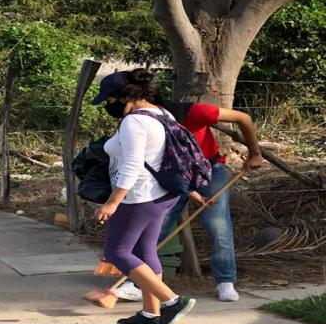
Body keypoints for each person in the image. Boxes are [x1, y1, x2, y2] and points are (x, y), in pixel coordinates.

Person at [113, 89, 264, 303]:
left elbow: (243, 118)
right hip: (173, 176)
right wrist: (188, 192)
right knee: (157, 226)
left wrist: (255, 153)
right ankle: (138, 282)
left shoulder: (192, 112)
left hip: (210, 171)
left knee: (218, 225)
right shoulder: (143, 121)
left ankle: (225, 281)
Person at [90, 69, 197, 324]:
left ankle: (171, 301)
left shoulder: (134, 122)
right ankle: (150, 314)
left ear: (125, 95)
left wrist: (113, 202)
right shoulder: (161, 113)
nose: (108, 105)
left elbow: (133, 164)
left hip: (139, 196)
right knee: (144, 252)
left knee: (118, 251)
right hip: (161, 194)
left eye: (110, 100)